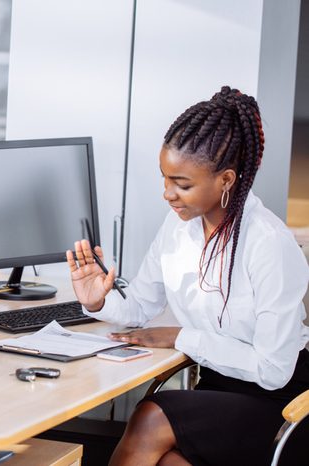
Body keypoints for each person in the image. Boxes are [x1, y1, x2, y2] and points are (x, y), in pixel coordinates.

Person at [68, 86, 309, 466]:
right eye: (165, 179)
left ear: (226, 180)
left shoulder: (268, 243)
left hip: (276, 403)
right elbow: (141, 306)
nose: (168, 194)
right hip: (216, 388)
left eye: (183, 184)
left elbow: (273, 370)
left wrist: (184, 337)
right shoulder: (178, 227)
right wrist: (97, 299)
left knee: (151, 416)